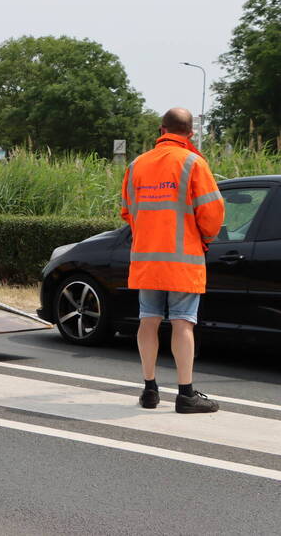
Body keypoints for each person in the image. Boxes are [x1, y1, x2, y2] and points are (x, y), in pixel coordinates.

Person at [120, 107, 224, 413]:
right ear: (190, 133)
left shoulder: (137, 164)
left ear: (161, 129)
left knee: (148, 320)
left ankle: (149, 390)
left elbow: (128, 209)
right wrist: (204, 237)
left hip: (147, 258)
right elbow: (213, 212)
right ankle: (185, 394)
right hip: (183, 259)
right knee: (183, 324)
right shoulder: (193, 162)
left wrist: (147, 234)